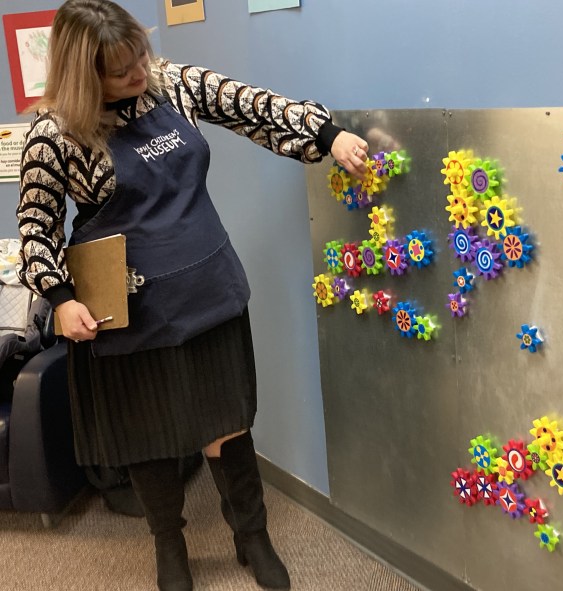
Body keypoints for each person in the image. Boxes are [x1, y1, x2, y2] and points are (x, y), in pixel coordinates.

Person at [16, 1, 368, 590]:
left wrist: (328, 136)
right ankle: (169, 546)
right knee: (149, 434)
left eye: (139, 56)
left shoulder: (171, 86)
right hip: (124, 309)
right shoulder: (54, 135)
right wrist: (60, 296)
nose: (137, 74)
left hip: (205, 288)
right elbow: (37, 228)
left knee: (226, 422)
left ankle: (251, 536)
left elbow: (252, 105)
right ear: (84, 74)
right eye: (120, 70)